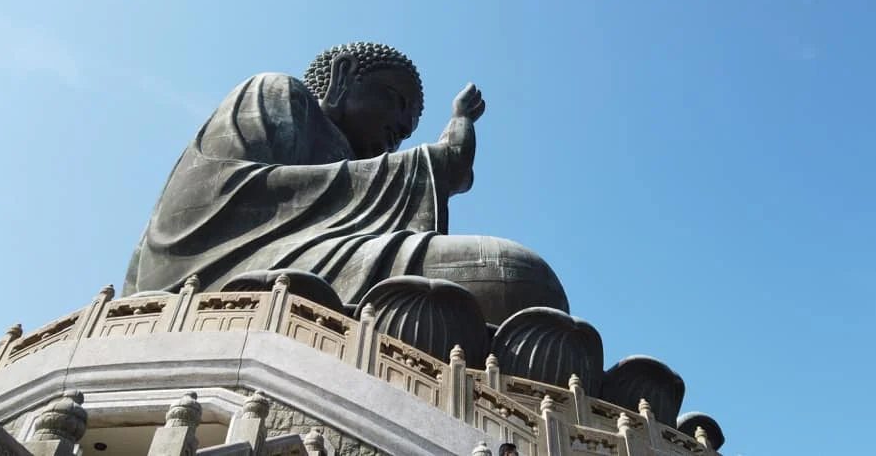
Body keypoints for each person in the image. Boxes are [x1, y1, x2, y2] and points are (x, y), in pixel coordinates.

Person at [124, 42, 568, 324]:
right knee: (516, 274)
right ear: (344, 74)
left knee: (520, 279)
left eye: (410, 128)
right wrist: (429, 161)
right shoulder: (279, 94)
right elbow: (209, 204)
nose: (399, 127)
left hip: (326, 257)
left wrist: (444, 145)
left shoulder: (357, 164)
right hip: (228, 272)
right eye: (395, 103)